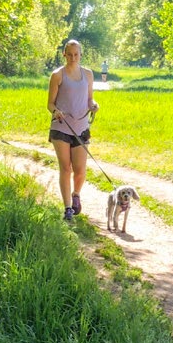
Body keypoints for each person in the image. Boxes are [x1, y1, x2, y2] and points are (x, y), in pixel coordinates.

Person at [48, 40, 99, 221]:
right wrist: (56, 111)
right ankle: (67, 208)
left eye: (76, 54)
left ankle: (76, 194)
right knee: (66, 168)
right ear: (64, 54)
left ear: (80, 55)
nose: (73, 58)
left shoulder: (88, 74)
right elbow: (50, 103)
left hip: (81, 127)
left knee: (80, 170)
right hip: (61, 127)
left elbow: (90, 99)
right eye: (69, 54)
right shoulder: (57, 75)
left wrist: (93, 105)